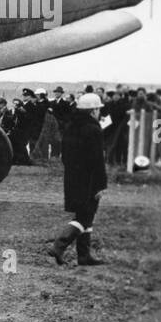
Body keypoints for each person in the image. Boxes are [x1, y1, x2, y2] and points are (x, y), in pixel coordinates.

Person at [49, 93, 107, 266]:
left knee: (84, 214)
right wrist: (101, 184)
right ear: (93, 110)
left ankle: (84, 255)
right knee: (85, 215)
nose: (99, 113)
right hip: (89, 180)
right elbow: (97, 160)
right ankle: (59, 245)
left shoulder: (71, 126)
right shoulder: (94, 129)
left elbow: (64, 156)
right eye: (98, 109)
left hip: (73, 177)